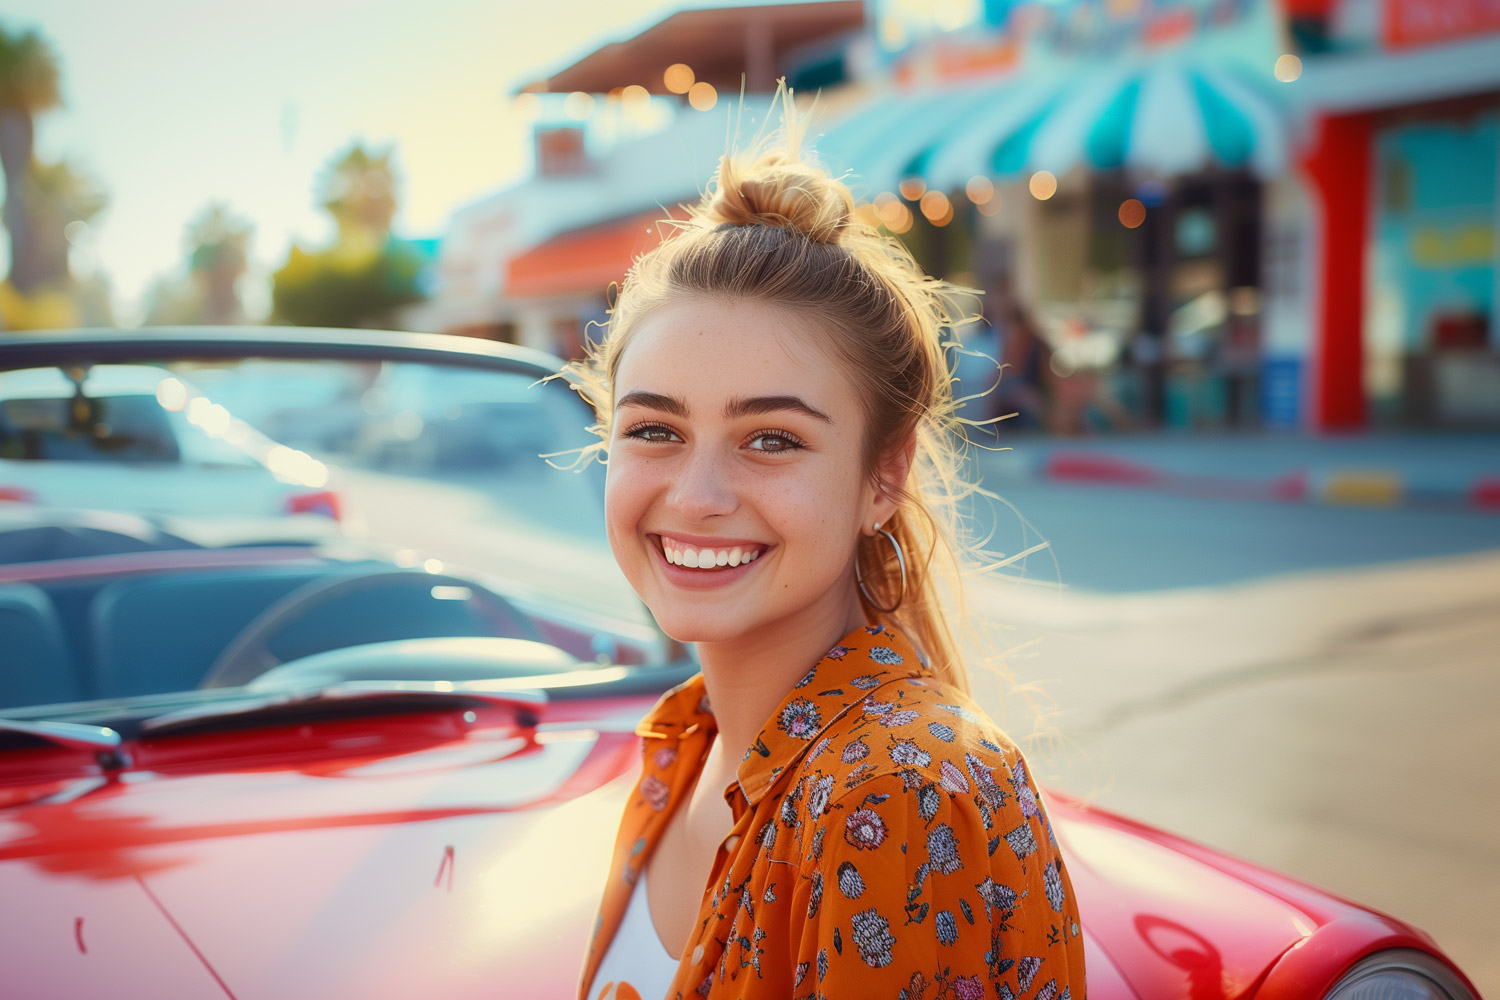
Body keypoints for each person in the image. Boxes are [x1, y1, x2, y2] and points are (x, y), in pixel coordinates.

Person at [563, 88, 1087, 1000]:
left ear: (883, 477)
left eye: (772, 439)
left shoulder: (888, 789)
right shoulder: (684, 743)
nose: (697, 496)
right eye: (654, 430)